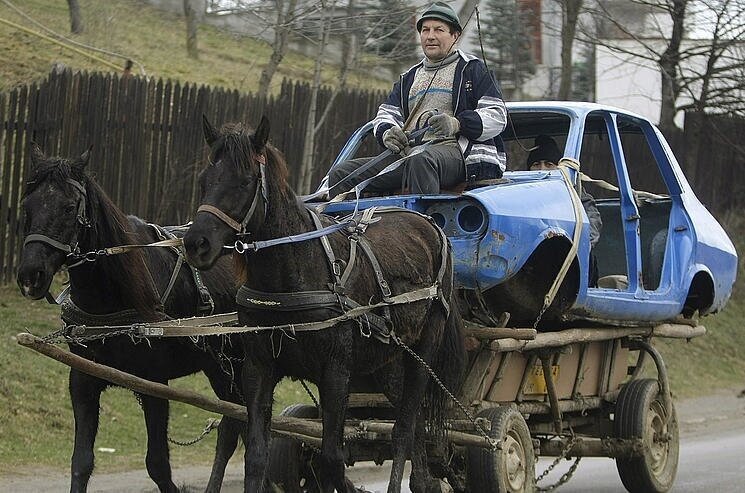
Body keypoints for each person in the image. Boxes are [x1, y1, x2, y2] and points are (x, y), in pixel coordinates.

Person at [328, 1, 507, 197]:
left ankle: (425, 225)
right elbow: (386, 114)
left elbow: (497, 116)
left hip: (459, 157)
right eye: (425, 30)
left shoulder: (473, 69)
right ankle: (349, 227)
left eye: (439, 30)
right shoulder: (408, 78)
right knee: (341, 174)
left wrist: (457, 124)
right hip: (411, 157)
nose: (430, 36)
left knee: (421, 160)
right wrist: (388, 132)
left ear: (455, 35)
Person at [527, 134, 602, 286]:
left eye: (548, 164)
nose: (542, 169)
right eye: (536, 164)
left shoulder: (572, 190)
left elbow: (592, 219)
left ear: (558, 167)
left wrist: (581, 244)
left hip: (565, 256)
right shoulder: (519, 191)